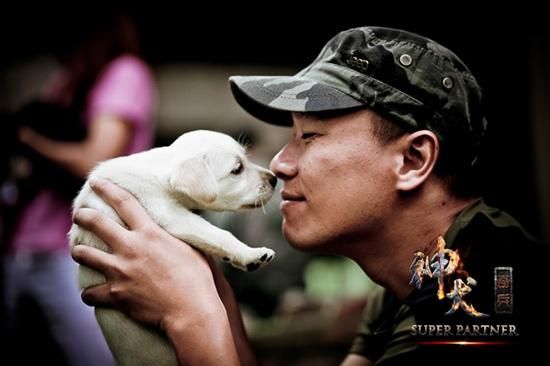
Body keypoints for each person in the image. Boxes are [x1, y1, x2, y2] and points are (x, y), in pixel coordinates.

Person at [70, 26, 548, 365]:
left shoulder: (484, 291)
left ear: (412, 160)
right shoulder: (405, 285)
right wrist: (213, 297)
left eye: (310, 136)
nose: (279, 163)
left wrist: (192, 318)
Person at [2, 10, 155, 366]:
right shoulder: (71, 76)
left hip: (75, 250)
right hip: (23, 248)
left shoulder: (123, 72)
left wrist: (26, 138)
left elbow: (95, 161)